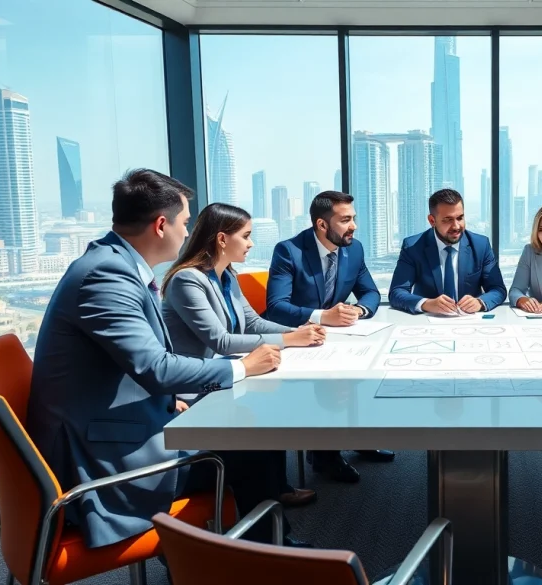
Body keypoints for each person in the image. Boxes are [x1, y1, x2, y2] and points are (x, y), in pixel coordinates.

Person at [26, 169, 305, 548]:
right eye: (186, 222)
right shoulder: (106, 275)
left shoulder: (114, 265)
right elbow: (155, 367)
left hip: (118, 423)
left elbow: (130, 364)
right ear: (161, 225)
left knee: (245, 435)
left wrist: (166, 399)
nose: (189, 233)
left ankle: (221, 552)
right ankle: (273, 555)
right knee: (247, 445)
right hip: (99, 459)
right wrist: (242, 367)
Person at [161, 202, 327, 507]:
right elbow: (220, 340)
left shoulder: (227, 276)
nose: (251, 243)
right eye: (247, 236)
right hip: (194, 391)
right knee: (260, 421)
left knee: (272, 406)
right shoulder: (187, 280)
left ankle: (277, 487)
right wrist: (290, 339)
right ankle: (270, 500)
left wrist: (302, 331)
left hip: (226, 377)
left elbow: (252, 323)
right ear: (222, 239)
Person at [265, 190, 393, 483]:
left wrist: (358, 310)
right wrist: (323, 316)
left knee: (366, 371)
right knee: (330, 380)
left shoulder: (354, 249)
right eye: (346, 220)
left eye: (354, 218)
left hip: (337, 337)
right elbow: (276, 308)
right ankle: (324, 456)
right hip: (296, 337)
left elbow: (371, 293)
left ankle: (358, 436)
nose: (354, 226)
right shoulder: (289, 251)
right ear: (322, 225)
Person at [389, 188, 507, 314]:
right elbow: (397, 292)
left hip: (470, 321)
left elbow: (497, 289)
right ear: (432, 221)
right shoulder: (413, 247)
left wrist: (479, 302)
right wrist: (426, 303)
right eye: (448, 220)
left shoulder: (480, 245)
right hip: (428, 322)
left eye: (460, 218)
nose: (456, 226)